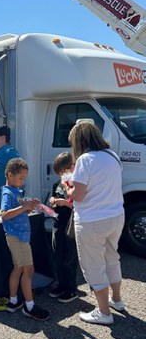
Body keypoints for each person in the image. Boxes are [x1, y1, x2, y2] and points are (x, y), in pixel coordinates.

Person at [67, 119, 125, 325]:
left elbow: (79, 195)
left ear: (79, 141)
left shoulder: (85, 160)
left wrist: (68, 188)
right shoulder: (112, 155)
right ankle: (116, 300)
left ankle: (103, 313)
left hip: (92, 220)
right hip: (115, 216)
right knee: (111, 258)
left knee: (93, 265)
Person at [1, 158, 50, 321]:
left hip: (18, 237)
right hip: (18, 238)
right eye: (20, 178)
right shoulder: (8, 193)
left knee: (18, 268)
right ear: (9, 174)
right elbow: (5, 215)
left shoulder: (15, 191)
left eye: (24, 178)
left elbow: (17, 213)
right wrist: (24, 207)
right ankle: (29, 306)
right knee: (28, 270)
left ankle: (14, 302)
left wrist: (28, 207)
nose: (22, 181)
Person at [48, 152, 79, 303]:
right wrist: (53, 201)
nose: (61, 174)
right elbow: (53, 202)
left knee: (69, 258)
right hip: (57, 223)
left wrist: (64, 202)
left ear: (72, 168)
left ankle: (71, 289)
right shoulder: (57, 185)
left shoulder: (76, 185)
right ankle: (61, 285)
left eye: (63, 171)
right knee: (57, 256)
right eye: (59, 172)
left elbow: (78, 204)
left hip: (70, 224)